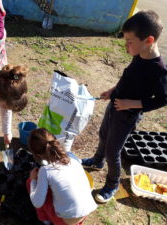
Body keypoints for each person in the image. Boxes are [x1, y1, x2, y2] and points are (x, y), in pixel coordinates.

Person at [82, 10, 167, 203]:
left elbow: (162, 99)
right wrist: (113, 90)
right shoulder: (140, 54)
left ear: (148, 40)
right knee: (103, 135)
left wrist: (131, 104)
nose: (125, 45)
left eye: (129, 42)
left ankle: (112, 184)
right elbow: (127, 78)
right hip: (115, 105)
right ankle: (97, 161)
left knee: (113, 151)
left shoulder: (159, 70)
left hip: (127, 116)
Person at [27, 128, 97, 225]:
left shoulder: (46, 170)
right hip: (87, 209)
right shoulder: (71, 156)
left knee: (29, 183)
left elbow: (37, 202)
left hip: (66, 220)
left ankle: (46, 220)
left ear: (38, 155)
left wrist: (33, 180)